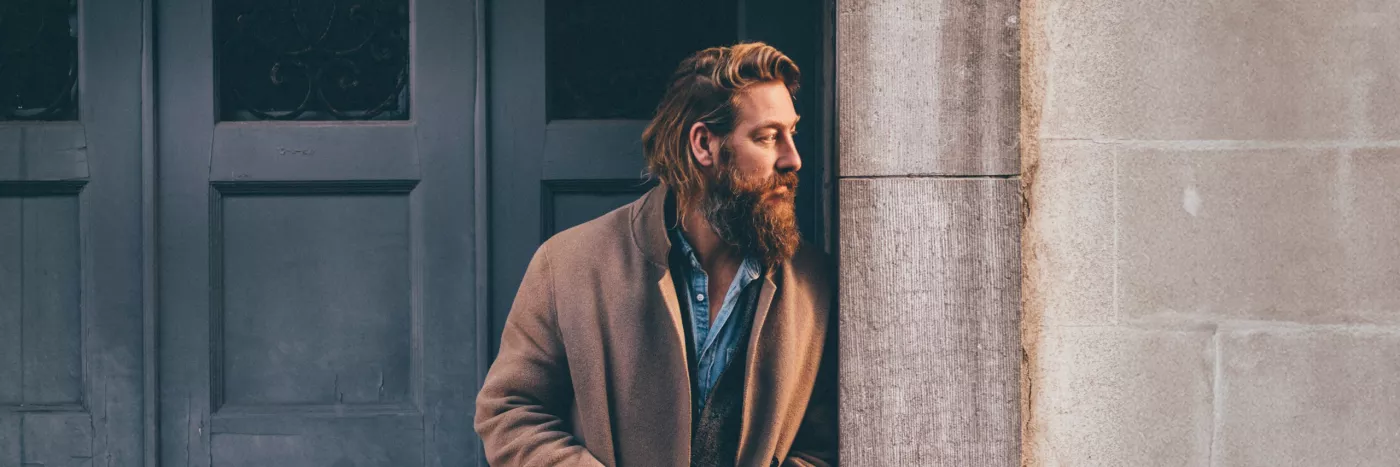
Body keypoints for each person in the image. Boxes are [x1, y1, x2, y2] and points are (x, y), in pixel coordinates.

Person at [475, 42, 836, 467]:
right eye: (768, 137)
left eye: (792, 133)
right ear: (704, 144)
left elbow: (835, 437)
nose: (793, 158)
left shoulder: (816, 282)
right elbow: (510, 411)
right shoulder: (568, 265)